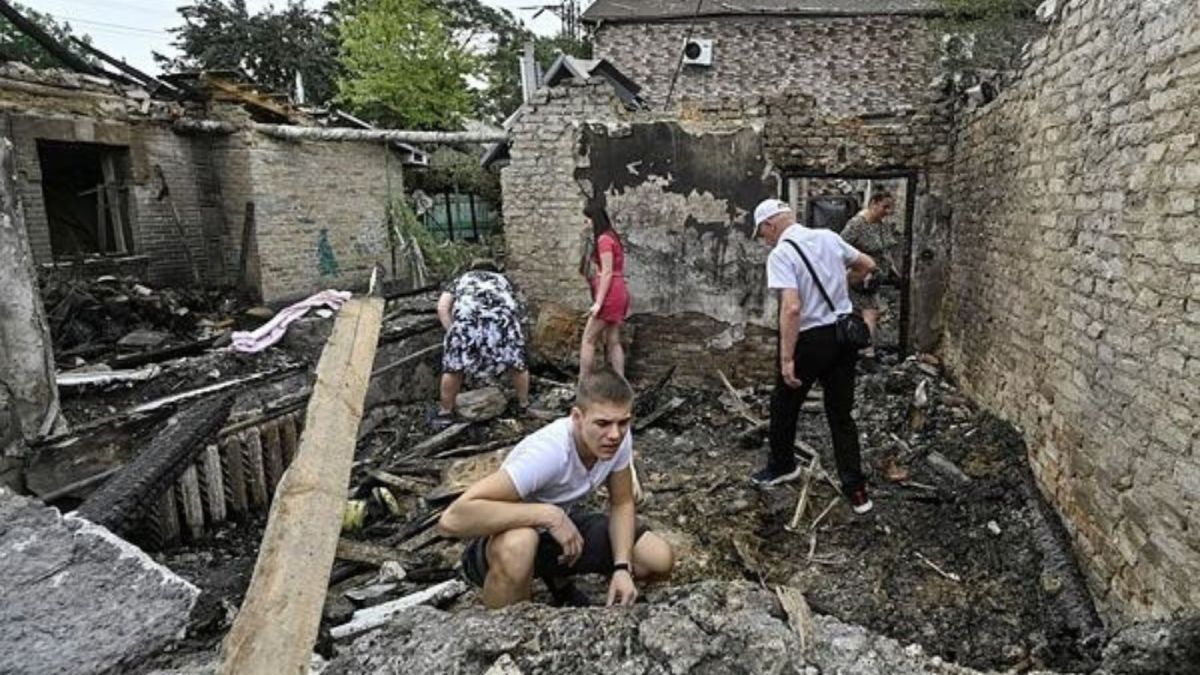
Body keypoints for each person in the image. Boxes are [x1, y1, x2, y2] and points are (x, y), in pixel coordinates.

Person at [438, 368, 675, 608]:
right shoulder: (549, 453)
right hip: (505, 538)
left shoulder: (617, 438)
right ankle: (506, 628)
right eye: (602, 423)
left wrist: (622, 567)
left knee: (656, 558)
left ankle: (558, 580)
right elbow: (452, 519)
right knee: (520, 545)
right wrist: (548, 515)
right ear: (577, 417)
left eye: (623, 422)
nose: (614, 434)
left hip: (559, 534)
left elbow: (622, 502)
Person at [750, 198, 877, 514]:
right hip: (843, 336)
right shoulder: (828, 238)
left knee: (784, 403)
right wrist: (842, 284)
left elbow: (791, 308)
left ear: (770, 224)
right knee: (841, 415)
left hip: (812, 338)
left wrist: (786, 358)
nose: (764, 239)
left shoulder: (782, 253)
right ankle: (857, 490)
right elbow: (868, 265)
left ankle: (783, 465)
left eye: (762, 233)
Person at [433, 259, 530, 429]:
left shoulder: (460, 280)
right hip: (502, 324)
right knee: (517, 365)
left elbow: (442, 307)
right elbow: (519, 307)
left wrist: (452, 331)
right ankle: (524, 405)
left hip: (468, 323)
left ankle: (445, 413)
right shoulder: (505, 281)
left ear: (471, 269)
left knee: (454, 368)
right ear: (495, 269)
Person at [839, 191, 898, 369]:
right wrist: (854, 268)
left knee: (865, 313)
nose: (888, 211)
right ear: (873, 204)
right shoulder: (857, 224)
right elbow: (840, 247)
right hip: (860, 277)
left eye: (890, 207)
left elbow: (885, 251)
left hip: (875, 277)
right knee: (870, 312)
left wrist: (893, 271)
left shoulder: (880, 225)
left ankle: (857, 351)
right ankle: (867, 354)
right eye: (884, 207)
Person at [579, 203, 630, 377]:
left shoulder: (603, 240)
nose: (585, 222)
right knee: (613, 341)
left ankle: (583, 384)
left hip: (610, 294)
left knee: (588, 340)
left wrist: (598, 303)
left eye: (587, 218)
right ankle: (621, 381)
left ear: (594, 219)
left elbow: (607, 272)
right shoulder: (612, 237)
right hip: (619, 291)